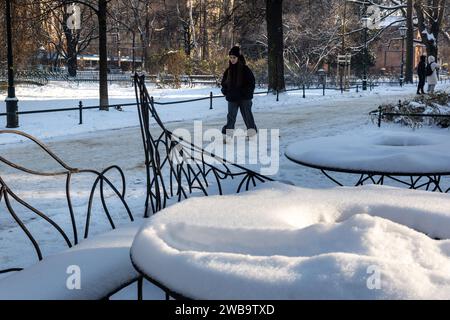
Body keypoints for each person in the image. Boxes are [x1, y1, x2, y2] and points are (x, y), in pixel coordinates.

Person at [221, 46, 257, 140]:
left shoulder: (245, 69)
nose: (232, 59)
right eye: (231, 57)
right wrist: (225, 91)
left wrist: (245, 92)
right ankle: (228, 135)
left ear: (238, 57)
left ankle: (251, 133)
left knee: (247, 116)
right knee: (231, 117)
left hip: (244, 98)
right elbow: (224, 83)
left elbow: (251, 83)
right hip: (232, 98)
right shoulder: (228, 71)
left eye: (234, 57)